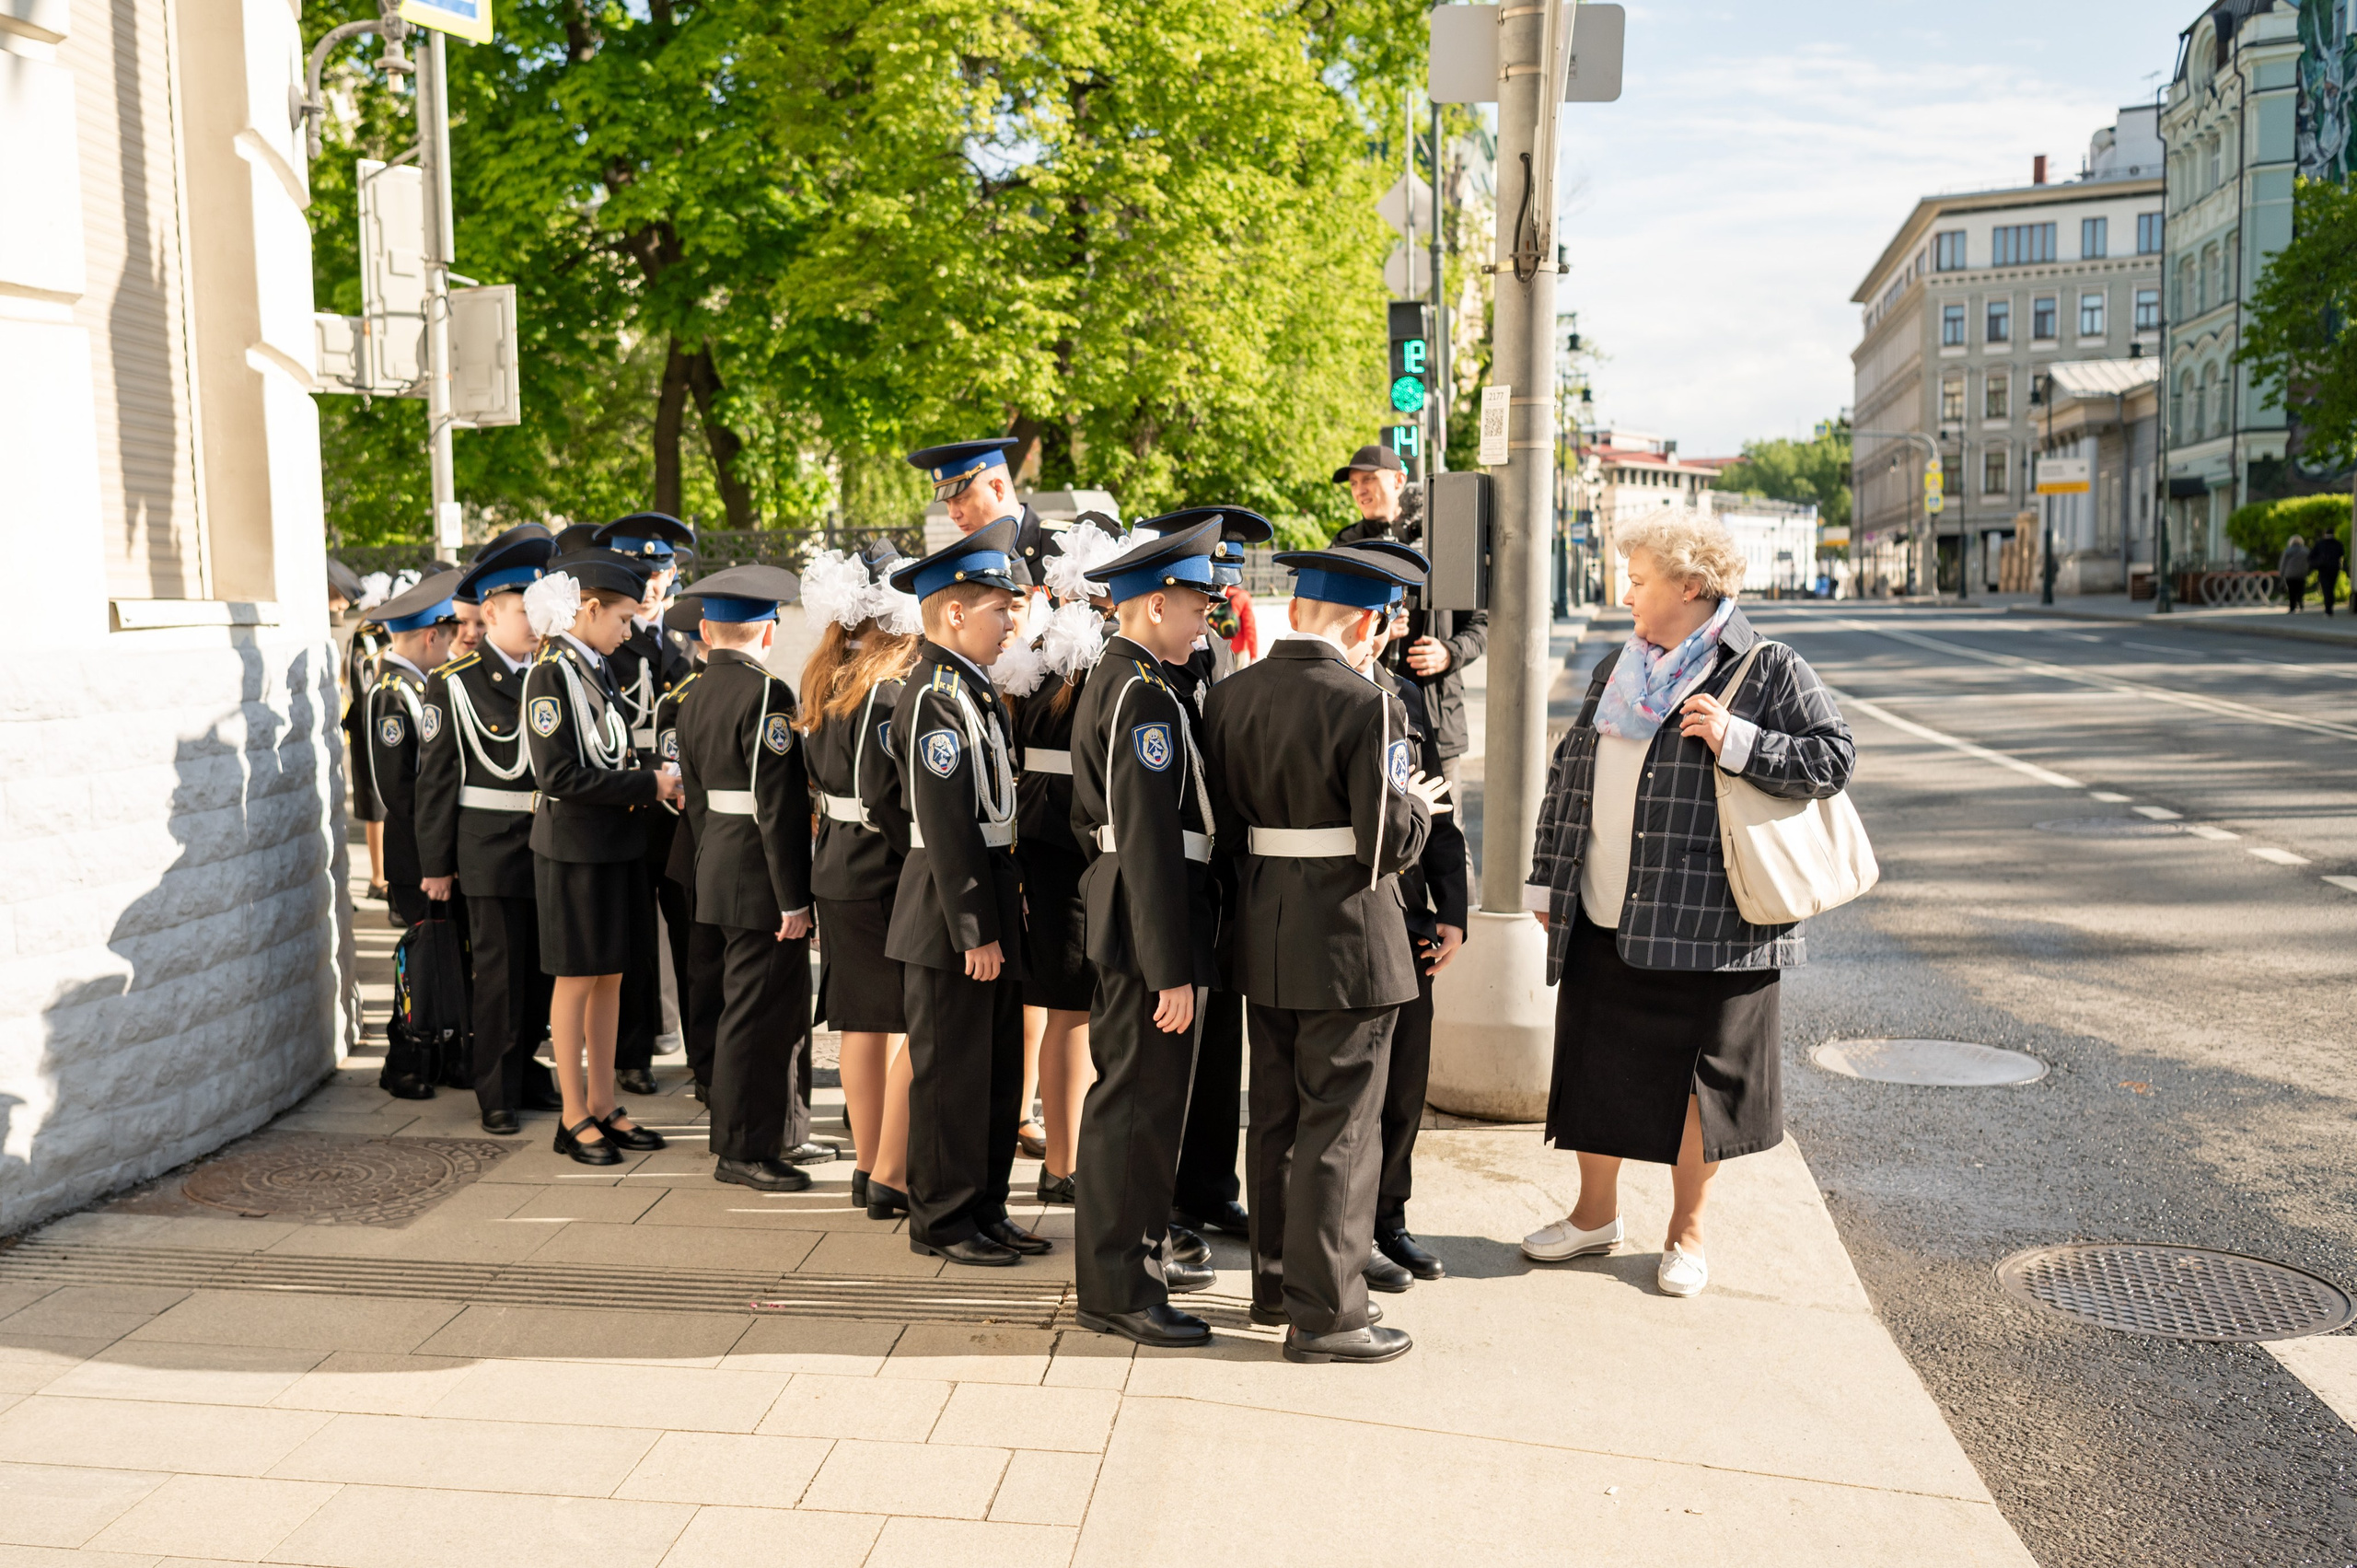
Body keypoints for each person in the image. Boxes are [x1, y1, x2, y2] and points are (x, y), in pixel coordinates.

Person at [1518, 517, 1854, 1299]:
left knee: (1697, 1086)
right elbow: (1571, 772)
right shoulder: (1619, 668)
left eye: (1638, 578)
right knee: (1592, 1064)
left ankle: (1687, 1233)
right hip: (1607, 906)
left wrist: (1739, 740)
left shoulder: (1766, 668)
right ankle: (1593, 1214)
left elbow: (1833, 756)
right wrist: (1547, 881)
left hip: (1714, 924)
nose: (1625, 591)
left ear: (1691, 586)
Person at [1202, 543, 1446, 1365]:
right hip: (1347, 937)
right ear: (1369, 623)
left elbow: (1225, 829)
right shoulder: (1370, 706)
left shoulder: (1229, 697)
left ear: (1299, 608)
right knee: (1341, 1128)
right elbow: (1387, 842)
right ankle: (1330, 1312)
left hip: (1264, 927)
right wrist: (1417, 801)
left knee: (1272, 1120)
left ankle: (1274, 1286)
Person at [1065, 519, 1233, 1348]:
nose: (1209, 613)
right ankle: (1119, 1286)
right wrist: (1171, 966)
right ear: (1156, 602)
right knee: (1136, 1110)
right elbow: (1147, 840)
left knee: (1139, 1106)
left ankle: (1132, 1267)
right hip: (1148, 930)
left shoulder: (1140, 680)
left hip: (1141, 920)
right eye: (1199, 600)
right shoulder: (1140, 693)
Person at [884, 520, 1048, 1265]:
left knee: (992, 1072)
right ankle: (942, 1218)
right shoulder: (932, 694)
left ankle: (984, 1203)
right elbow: (943, 824)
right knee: (951, 1073)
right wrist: (975, 926)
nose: (1012, 620)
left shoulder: (972, 689)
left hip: (986, 900)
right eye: (999, 608)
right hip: (953, 918)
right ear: (954, 612)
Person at [521, 549, 685, 1166]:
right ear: (589, 609)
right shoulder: (551, 673)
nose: (629, 628)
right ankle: (572, 1114)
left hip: (613, 844)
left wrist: (652, 773)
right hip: (573, 851)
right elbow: (560, 773)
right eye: (621, 616)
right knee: (576, 977)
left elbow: (609, 757)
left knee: (612, 974)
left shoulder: (595, 666)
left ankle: (604, 1099)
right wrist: (649, 785)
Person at [674, 563, 822, 1192]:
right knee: (757, 1017)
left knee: (765, 1010)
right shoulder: (768, 696)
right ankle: (741, 1148)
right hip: (760, 879)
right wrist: (794, 897)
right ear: (767, 633)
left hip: (718, 866)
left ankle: (778, 1130)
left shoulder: (692, 693)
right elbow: (779, 807)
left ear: (706, 631)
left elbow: (701, 800)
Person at [414, 526, 567, 1133]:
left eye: (538, 611)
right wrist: (435, 864)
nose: (534, 623)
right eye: (521, 612)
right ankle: (496, 1088)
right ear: (490, 612)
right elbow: (435, 781)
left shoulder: (549, 673)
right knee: (501, 975)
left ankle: (528, 1065)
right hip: (488, 849)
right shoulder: (453, 682)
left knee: (540, 971)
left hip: (547, 845)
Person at [996, 517, 1128, 1206]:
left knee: (1055, 1005)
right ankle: (1063, 1165)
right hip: (1077, 834)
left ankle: (1059, 1152)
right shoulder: (1097, 648)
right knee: (1073, 1008)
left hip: (1038, 829)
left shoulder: (1039, 645)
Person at [1353, 540, 1469, 1287]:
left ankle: (1390, 1216)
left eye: (1393, 611)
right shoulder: (1323, 693)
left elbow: (1439, 812)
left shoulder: (1407, 696)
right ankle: (1348, 1225)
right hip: (1349, 919)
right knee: (1352, 1092)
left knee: (1404, 1085)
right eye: (1379, 610)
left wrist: (1454, 909)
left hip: (1412, 919)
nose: (1388, 624)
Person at [798, 541, 923, 1218]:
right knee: (903, 1022)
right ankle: (886, 1171)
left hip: (837, 863)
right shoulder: (885, 689)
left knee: (859, 1026)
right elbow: (889, 796)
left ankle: (868, 1164)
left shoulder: (825, 674)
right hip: (881, 865)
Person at [1162, 506, 1275, 1242]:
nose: (1224, 604)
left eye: (1230, 585)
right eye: (1214, 589)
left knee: (1218, 1048)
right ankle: (1172, 1195)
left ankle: (1209, 1184)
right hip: (1178, 874)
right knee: (1177, 1057)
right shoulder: (1159, 668)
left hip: (1221, 872)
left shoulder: (1208, 657)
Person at [594, 512, 699, 1098]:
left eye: (661, 571)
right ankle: (633, 1054)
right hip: (629, 805)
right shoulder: (609, 641)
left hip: (681, 813)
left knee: (691, 935)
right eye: (641, 571)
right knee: (632, 936)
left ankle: (701, 1053)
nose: (654, 583)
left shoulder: (686, 641)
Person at [1330, 444, 1487, 811]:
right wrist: (1376, 632)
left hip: (1436, 718)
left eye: (1369, 479)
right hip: (1367, 714)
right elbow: (1329, 625)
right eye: (1353, 483)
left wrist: (1449, 652)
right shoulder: (1346, 545)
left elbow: (1480, 625)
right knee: (1381, 832)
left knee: (1446, 836)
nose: (1360, 490)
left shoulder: (1442, 541)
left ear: (1399, 480)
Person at [653, 596, 724, 1102]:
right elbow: (676, 785)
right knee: (699, 961)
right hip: (696, 842)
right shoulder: (679, 698)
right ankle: (705, 1067)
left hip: (716, 846)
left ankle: (718, 1065)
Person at [365, 573, 462, 932]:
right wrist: (439, 843)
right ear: (431, 636)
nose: (450, 653)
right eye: (448, 643)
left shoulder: (417, 686)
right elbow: (398, 789)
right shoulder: (393, 693)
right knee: (430, 965)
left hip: (428, 851)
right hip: (417, 856)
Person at [908, 437, 1062, 580]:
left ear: (997, 489)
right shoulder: (963, 564)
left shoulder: (1062, 546)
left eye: (960, 499)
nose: (952, 514)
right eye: (947, 503)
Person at [2308, 528, 2345, 617]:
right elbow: (2342, 553)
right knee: (2331, 588)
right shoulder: (2337, 543)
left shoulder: (2320, 543)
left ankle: (2328, 609)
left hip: (2323, 569)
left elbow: (2311, 556)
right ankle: (2330, 606)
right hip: (2334, 568)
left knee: (2326, 588)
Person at [2282, 535, 2312, 614]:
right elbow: (2309, 562)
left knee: (2292, 591)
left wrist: (2282, 573)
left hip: (2290, 573)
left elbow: (2283, 563)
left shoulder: (2288, 551)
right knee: (2300, 589)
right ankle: (2301, 603)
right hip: (2301, 573)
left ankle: (2292, 607)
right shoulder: (2305, 551)